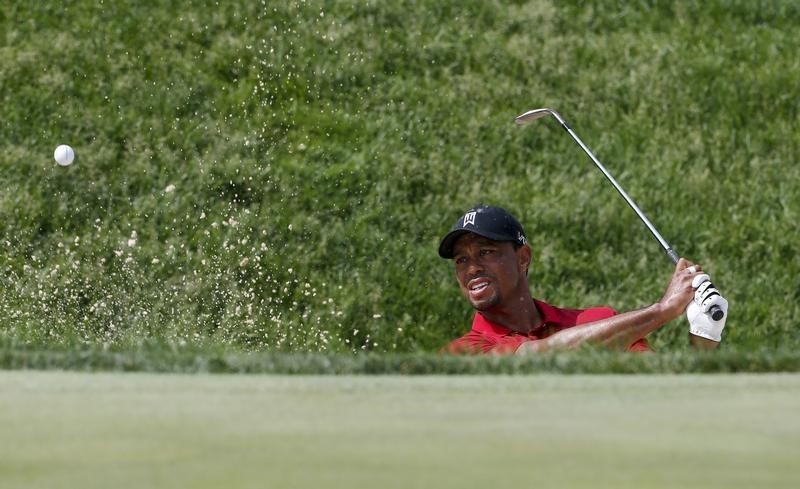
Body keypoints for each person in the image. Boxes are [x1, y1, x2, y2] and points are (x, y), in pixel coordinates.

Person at [438, 204, 728, 355]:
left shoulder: (601, 323)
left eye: (485, 252)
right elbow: (540, 360)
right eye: (461, 259)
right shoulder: (462, 352)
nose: (472, 267)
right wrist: (662, 310)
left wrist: (704, 335)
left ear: (523, 257)